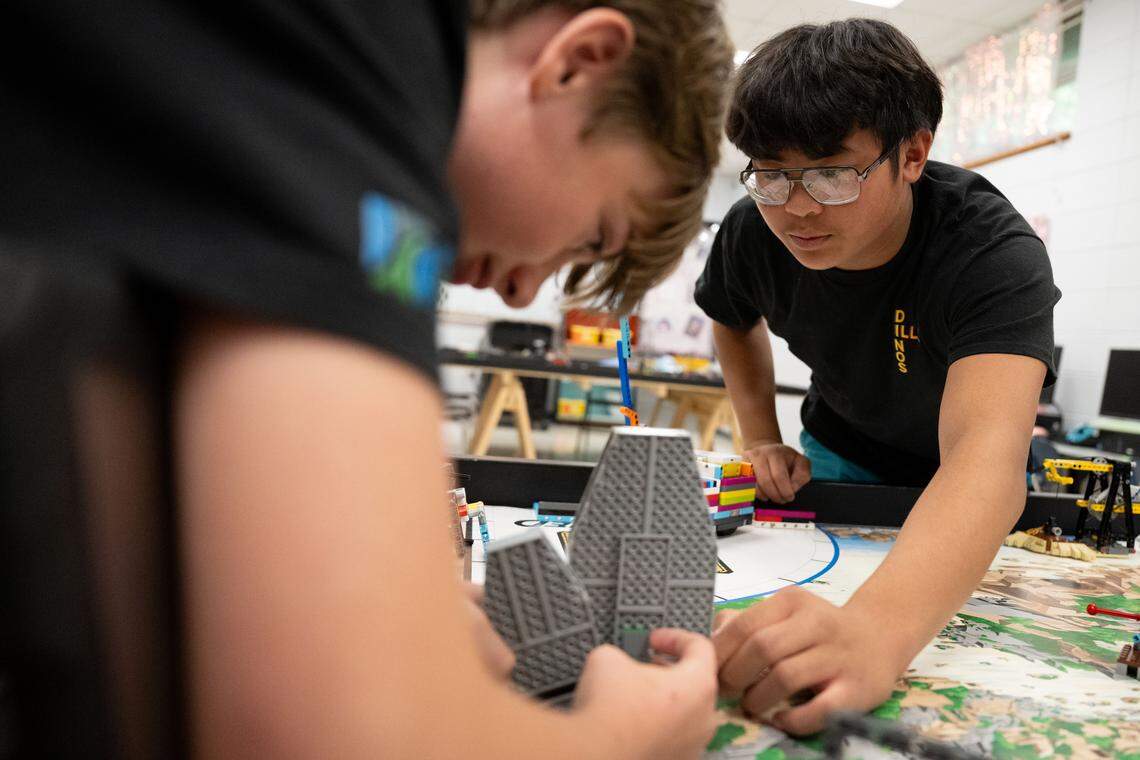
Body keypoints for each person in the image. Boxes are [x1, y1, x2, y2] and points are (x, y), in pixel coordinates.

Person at [2, 1, 732, 756]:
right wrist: (624, 736)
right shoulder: (363, 52)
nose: (525, 293)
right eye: (591, 239)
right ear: (578, 61)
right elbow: (331, 738)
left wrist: (362, 611)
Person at [695, 19, 1059, 734]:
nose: (796, 207)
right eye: (771, 172)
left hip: (957, 477)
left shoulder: (990, 253)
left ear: (913, 154)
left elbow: (985, 460)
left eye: (832, 172)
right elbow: (730, 317)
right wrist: (761, 436)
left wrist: (877, 633)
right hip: (840, 447)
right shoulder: (752, 229)